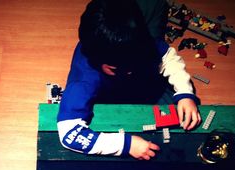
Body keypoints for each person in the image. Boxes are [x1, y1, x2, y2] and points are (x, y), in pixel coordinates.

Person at [57, 0, 201, 160]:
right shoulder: (83, 80)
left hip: (143, 77)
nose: (129, 70)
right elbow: (69, 133)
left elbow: (168, 57)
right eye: (117, 69)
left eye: (132, 63)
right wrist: (126, 145)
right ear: (96, 61)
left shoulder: (141, 41)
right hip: (110, 93)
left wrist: (185, 93)